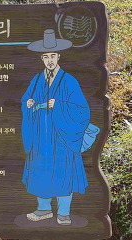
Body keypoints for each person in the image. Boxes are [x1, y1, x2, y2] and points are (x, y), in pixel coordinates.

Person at [21, 30, 89, 225]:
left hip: (61, 135)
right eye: (46, 57)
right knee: (40, 170)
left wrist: (58, 105)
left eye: (53, 56)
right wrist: (28, 103)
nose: (49, 60)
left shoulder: (68, 80)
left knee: (62, 171)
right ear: (42, 58)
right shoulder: (36, 80)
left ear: (58, 56)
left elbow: (82, 110)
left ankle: (64, 212)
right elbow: (26, 99)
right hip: (40, 135)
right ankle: (43, 208)